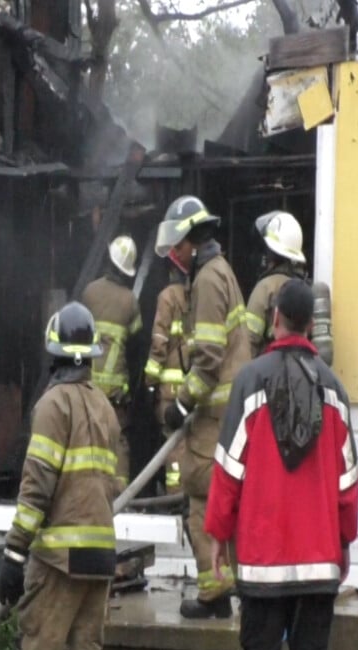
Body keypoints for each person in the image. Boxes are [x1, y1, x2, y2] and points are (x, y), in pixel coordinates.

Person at [205, 278, 358, 650]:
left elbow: (229, 469)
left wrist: (217, 534)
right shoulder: (334, 391)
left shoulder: (249, 382)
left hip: (262, 564)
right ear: (312, 325)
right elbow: (346, 480)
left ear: (274, 319)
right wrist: (344, 541)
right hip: (319, 563)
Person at [0, 301, 121, 650]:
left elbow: (38, 485)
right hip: (100, 557)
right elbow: (112, 484)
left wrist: (13, 554)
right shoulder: (105, 408)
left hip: (58, 561)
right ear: (88, 356)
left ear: (53, 354)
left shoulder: (52, 405)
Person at [155, 195, 250, 618]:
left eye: (178, 247)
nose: (175, 257)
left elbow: (209, 356)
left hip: (213, 418)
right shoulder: (219, 272)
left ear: (192, 241)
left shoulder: (209, 280)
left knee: (200, 501)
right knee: (216, 503)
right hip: (224, 417)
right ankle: (220, 591)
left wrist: (181, 403)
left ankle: (214, 593)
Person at [81, 235, 143, 489]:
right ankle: (120, 499)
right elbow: (137, 348)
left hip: (87, 387)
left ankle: (87, 491)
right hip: (116, 394)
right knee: (117, 443)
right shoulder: (130, 301)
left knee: (86, 441)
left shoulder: (89, 292)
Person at [143, 263, 189, 494]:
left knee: (174, 449)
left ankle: (174, 499)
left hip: (171, 393)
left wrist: (150, 383)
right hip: (196, 390)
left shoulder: (167, 297)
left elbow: (159, 342)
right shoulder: (200, 295)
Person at [245, 210, 308, 359]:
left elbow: (248, 341)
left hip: (268, 373)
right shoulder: (304, 289)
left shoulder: (265, 287)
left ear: (270, 252)